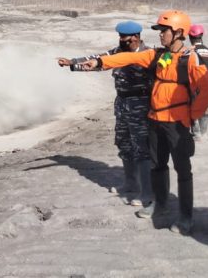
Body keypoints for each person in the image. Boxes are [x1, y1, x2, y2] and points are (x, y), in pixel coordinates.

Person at [79, 10, 208, 235]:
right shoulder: (157, 55)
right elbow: (128, 57)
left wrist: (193, 115)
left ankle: (185, 216)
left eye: (164, 31)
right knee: (156, 165)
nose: (160, 35)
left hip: (177, 123)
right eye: (160, 31)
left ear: (179, 32)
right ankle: (159, 204)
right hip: (155, 121)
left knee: (183, 170)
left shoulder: (190, 59)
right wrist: (99, 61)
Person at [57, 21, 153, 207]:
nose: (120, 39)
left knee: (141, 148)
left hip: (140, 105)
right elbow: (97, 60)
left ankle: (146, 192)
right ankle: (131, 183)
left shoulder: (147, 54)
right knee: (124, 143)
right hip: (122, 103)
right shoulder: (117, 51)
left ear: (135, 37)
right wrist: (72, 63)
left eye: (123, 36)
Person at [188, 24, 208, 140]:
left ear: (190, 37)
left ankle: (196, 133)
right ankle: (204, 133)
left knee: (193, 107)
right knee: (204, 107)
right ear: (202, 35)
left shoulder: (191, 51)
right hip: (207, 83)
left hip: (195, 83)